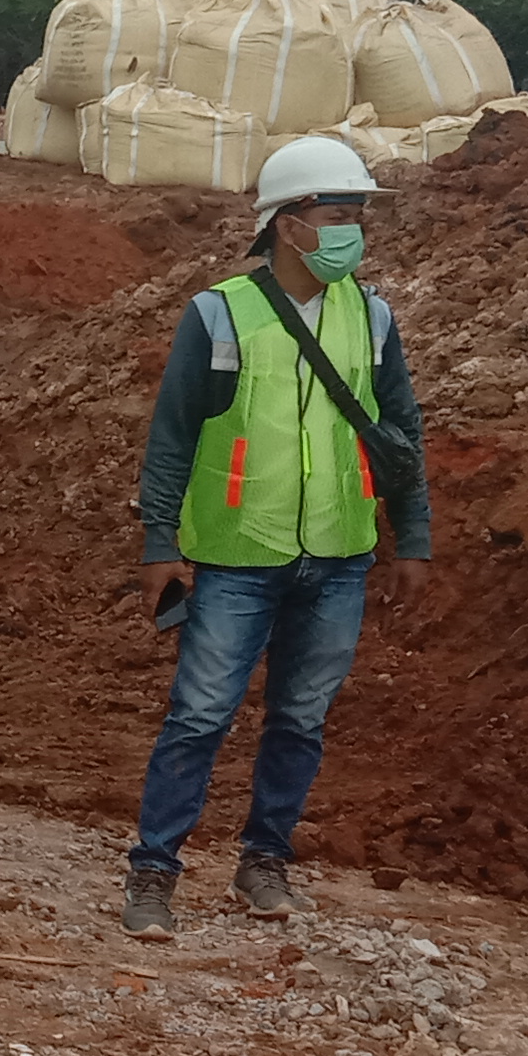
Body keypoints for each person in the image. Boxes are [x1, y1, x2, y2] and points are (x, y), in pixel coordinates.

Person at [120, 132, 433, 938]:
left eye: (358, 212)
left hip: (338, 556)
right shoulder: (220, 313)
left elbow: (401, 434)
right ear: (288, 222)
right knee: (199, 716)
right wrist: (160, 543)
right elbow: (173, 435)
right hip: (236, 555)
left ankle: (265, 860)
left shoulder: (372, 317)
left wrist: (414, 540)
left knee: (300, 719)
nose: (353, 228)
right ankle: (153, 872)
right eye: (338, 210)